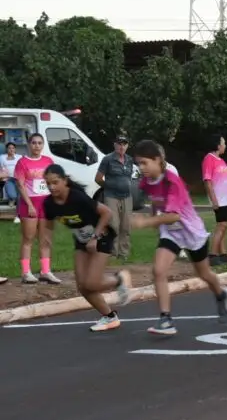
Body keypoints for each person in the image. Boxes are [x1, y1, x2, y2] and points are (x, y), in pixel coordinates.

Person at [133, 139, 227, 336]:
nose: (141, 167)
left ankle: (221, 294)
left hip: (191, 231)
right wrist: (155, 216)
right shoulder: (146, 181)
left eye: (144, 163)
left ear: (157, 160)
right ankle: (166, 319)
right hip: (171, 233)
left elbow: (174, 215)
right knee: (158, 270)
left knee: (204, 274)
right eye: (138, 163)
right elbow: (156, 201)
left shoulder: (173, 182)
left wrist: (146, 222)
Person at [42, 163, 131, 332]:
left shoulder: (76, 197)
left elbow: (106, 213)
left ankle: (119, 279)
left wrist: (95, 237)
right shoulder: (49, 203)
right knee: (82, 286)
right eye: (48, 184)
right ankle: (109, 317)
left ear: (65, 181)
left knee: (91, 283)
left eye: (55, 182)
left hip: (102, 235)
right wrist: (47, 242)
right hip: (81, 240)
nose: (51, 187)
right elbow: (48, 226)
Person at [14, 133, 60, 284]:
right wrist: (29, 205)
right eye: (34, 143)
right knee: (28, 238)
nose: (37, 146)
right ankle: (26, 272)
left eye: (40, 143)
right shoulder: (22, 163)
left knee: (45, 239)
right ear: (29, 144)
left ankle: (45, 271)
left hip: (45, 204)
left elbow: (54, 181)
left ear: (43, 145)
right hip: (30, 204)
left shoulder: (48, 161)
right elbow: (20, 185)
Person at [94, 135, 135, 259]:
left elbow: (129, 178)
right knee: (114, 224)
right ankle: (112, 252)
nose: (122, 146)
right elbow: (98, 178)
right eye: (119, 144)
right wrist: (109, 187)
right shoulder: (107, 159)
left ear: (127, 146)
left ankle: (124, 253)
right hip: (111, 196)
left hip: (127, 196)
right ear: (115, 145)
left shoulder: (130, 160)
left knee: (126, 226)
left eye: (124, 144)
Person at [201, 134, 227, 265]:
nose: (225, 145)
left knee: (224, 226)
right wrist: (214, 200)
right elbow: (207, 181)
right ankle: (213, 254)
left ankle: (223, 253)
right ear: (217, 145)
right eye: (223, 143)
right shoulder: (209, 159)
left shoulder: (221, 160)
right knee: (221, 225)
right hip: (220, 199)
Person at [1, 142, 20, 223]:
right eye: (9, 148)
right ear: (7, 149)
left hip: (18, 179)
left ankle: (18, 215)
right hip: (8, 179)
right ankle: (11, 199)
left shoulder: (19, 157)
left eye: (13, 148)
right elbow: (1, 168)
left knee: (20, 197)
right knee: (13, 195)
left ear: (15, 149)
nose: (11, 149)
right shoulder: (2, 157)